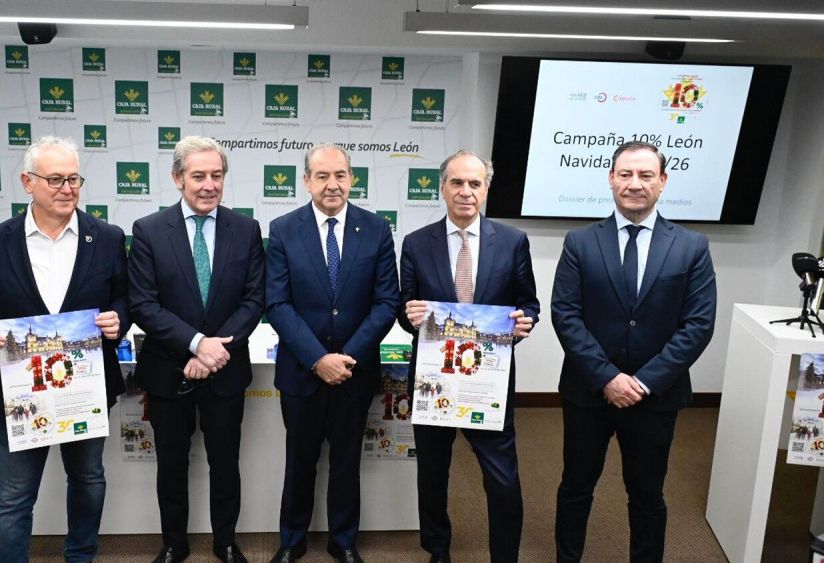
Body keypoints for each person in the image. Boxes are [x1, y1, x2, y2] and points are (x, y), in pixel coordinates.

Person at [0, 136, 128, 563]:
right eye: (55, 180)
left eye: (74, 179)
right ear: (27, 182)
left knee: (88, 480)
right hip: (20, 393)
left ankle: (80, 556)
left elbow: (124, 297)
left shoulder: (107, 238)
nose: (67, 189)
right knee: (13, 497)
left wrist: (119, 319)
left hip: (83, 391)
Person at [551, 141, 716, 562]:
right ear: (611, 179)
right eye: (625, 174)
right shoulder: (580, 242)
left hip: (654, 398)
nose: (634, 184)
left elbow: (698, 325)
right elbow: (565, 315)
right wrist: (607, 377)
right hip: (589, 393)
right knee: (575, 487)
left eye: (645, 175)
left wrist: (642, 382)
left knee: (647, 495)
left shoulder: (692, 246)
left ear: (663, 181)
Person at [128, 136, 265, 563]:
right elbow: (143, 305)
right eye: (199, 175)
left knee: (226, 463)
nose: (209, 185)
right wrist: (196, 344)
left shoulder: (246, 229)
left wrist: (213, 352)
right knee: (171, 465)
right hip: (168, 370)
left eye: (217, 175)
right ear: (177, 178)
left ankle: (225, 542)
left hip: (226, 369)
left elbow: (254, 300)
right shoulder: (148, 230)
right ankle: (174, 544)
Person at [398, 150, 538, 563]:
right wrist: (410, 315)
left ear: (486, 190)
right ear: (442, 189)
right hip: (433, 380)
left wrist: (525, 322)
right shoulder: (416, 243)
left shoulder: (512, 241)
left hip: (487, 382)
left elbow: (528, 305)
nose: (465, 191)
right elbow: (404, 309)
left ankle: (505, 555)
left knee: (502, 476)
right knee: (432, 472)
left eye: (474, 183)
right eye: (457, 182)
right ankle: (437, 549)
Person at [265, 144, 399, 563]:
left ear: (352, 179)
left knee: (346, 462)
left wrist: (347, 357)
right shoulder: (283, 229)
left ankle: (343, 541)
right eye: (322, 176)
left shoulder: (376, 229)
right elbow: (277, 303)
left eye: (340, 175)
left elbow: (386, 303)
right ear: (307, 181)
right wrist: (317, 359)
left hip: (354, 373)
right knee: (299, 462)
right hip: (301, 372)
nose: (332, 184)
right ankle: (292, 540)